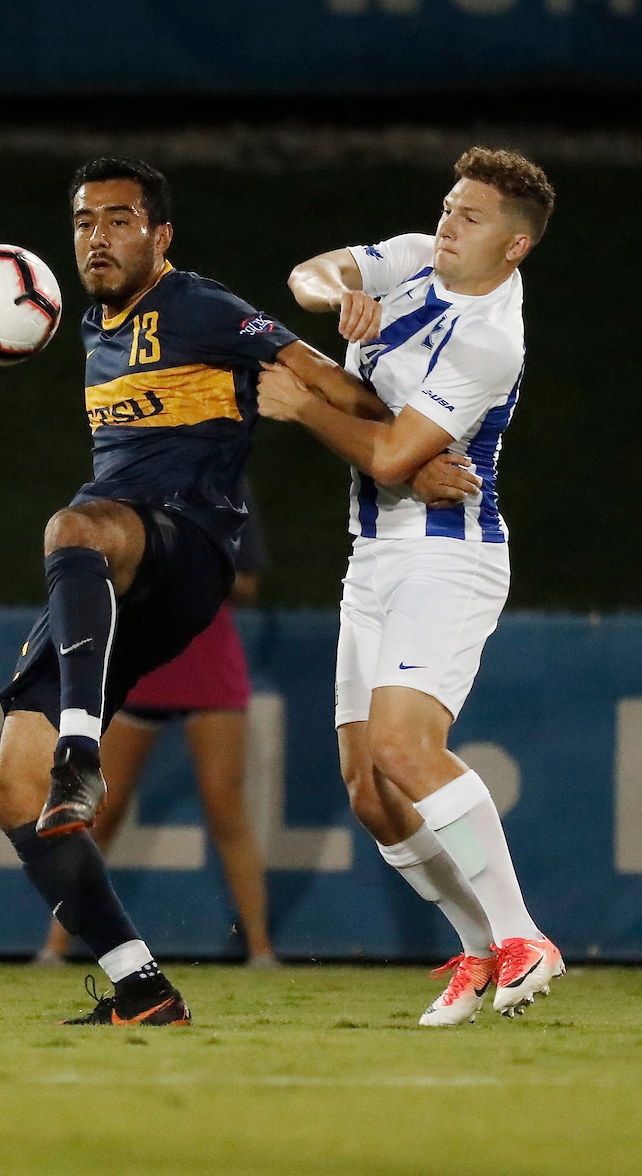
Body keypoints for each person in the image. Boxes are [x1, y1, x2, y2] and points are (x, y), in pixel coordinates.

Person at [0, 155, 475, 1028]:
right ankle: (143, 988)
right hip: (114, 576)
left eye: (119, 219)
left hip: (188, 547)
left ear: (160, 234)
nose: (97, 236)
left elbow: (329, 383)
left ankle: (82, 752)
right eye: (83, 222)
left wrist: (409, 453)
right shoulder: (97, 327)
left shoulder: (204, 307)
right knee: (16, 797)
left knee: (72, 527)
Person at [258, 147, 563, 1025]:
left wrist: (306, 402)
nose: (448, 226)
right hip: (374, 552)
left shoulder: (489, 337)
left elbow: (394, 455)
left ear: (514, 247)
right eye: (448, 207)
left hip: (449, 555)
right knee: (367, 786)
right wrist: (336, 297)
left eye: (470, 218)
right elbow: (313, 271)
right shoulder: (417, 257)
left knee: (402, 746)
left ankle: (523, 934)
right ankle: (477, 947)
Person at [34, 503, 276, 968]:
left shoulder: (227, 491)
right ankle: (55, 947)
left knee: (226, 810)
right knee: (99, 811)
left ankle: (262, 951)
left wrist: (190, 567)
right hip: (142, 658)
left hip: (207, 663)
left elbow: (246, 584)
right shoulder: (126, 485)